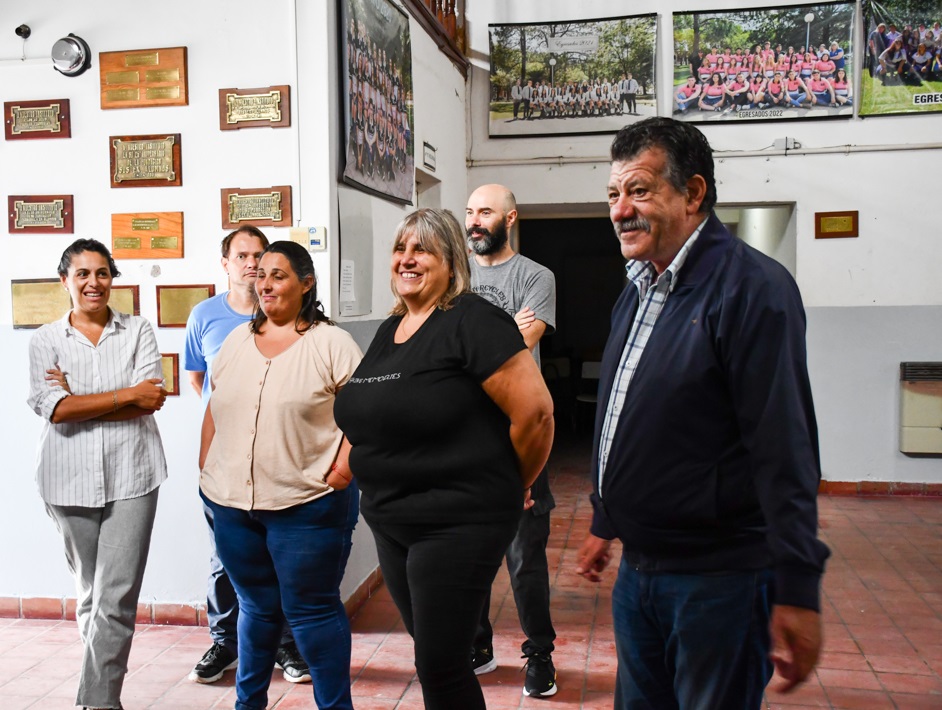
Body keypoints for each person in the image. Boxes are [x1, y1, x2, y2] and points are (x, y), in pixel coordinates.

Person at [575, 117, 830, 709]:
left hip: (720, 581)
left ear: (693, 193)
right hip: (640, 574)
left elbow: (784, 449)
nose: (619, 210)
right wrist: (605, 518)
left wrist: (798, 586)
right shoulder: (638, 288)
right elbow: (625, 411)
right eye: (614, 194)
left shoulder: (752, 289)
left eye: (638, 191)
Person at [334, 208, 554, 710]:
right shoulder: (393, 329)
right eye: (401, 249)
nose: (407, 260)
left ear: (451, 262)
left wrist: (508, 484)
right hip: (391, 519)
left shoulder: (473, 321)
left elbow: (536, 415)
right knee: (440, 658)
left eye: (422, 250)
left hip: (456, 520)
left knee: (440, 666)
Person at [199, 241, 361, 710]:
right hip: (232, 506)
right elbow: (216, 402)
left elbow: (366, 415)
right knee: (255, 608)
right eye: (261, 274)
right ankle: (248, 704)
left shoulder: (331, 343)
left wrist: (344, 467)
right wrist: (206, 462)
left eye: (278, 275)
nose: (264, 283)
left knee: (311, 613)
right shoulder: (236, 341)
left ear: (306, 284)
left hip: (305, 506)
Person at [28, 238, 168, 710]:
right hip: (66, 481)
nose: (94, 282)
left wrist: (84, 400)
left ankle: (98, 702)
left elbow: (150, 399)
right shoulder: (45, 340)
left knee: (116, 596)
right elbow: (57, 411)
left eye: (103, 273)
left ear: (113, 278)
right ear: (64, 281)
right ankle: (100, 695)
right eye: (83, 274)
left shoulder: (139, 331)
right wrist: (122, 395)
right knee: (92, 593)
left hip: (134, 475)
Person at [183, 227, 312, 686]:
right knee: (225, 558)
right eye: (242, 256)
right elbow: (202, 382)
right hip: (225, 461)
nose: (252, 264)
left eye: (259, 255)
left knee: (279, 557)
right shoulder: (205, 315)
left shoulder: (286, 314)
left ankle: (285, 647)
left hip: (278, 460)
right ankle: (225, 643)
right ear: (226, 263)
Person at [465, 185, 559, 697]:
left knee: (524, 553)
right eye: (470, 212)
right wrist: (500, 332)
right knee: (471, 547)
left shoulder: (535, 276)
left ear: (510, 217)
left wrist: (468, 344)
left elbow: (522, 344)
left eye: (486, 212)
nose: (475, 221)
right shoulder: (455, 275)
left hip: (522, 430)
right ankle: (478, 644)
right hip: (466, 435)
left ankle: (539, 654)